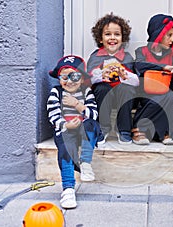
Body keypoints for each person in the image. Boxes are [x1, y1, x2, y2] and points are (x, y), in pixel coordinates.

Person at [47, 55, 100, 209]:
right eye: (64, 76)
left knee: (91, 124)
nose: (69, 81)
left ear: (82, 79)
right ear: (59, 78)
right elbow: (53, 115)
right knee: (65, 147)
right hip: (66, 130)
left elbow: (94, 114)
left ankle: (85, 163)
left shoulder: (87, 92)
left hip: (84, 130)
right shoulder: (56, 92)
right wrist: (66, 124)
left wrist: (78, 105)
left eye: (74, 76)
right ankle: (68, 189)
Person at [87, 13, 139, 145]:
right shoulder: (95, 56)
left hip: (122, 94)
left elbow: (136, 82)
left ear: (123, 38)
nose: (112, 38)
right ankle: (103, 128)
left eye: (117, 34)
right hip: (104, 94)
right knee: (101, 89)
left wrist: (124, 75)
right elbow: (89, 80)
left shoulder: (127, 57)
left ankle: (124, 129)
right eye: (108, 34)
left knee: (126, 89)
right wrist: (101, 74)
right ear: (100, 38)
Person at [132, 13, 173, 145]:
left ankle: (166, 132)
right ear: (158, 34)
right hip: (145, 91)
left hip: (165, 89)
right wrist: (164, 67)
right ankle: (139, 128)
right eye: (169, 35)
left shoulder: (172, 54)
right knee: (159, 98)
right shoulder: (141, 51)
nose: (172, 40)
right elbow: (139, 66)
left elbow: (172, 84)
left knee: (171, 97)